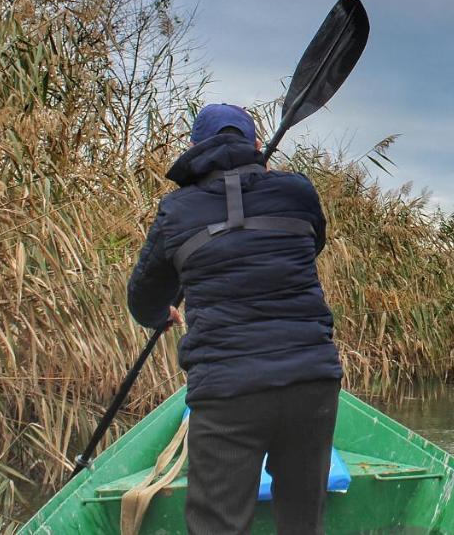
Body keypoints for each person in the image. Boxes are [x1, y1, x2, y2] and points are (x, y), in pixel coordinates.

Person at [127, 103, 343, 534]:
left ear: (193, 148)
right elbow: (309, 244)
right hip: (311, 382)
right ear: (257, 146)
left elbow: (143, 297)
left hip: (228, 390)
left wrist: (160, 314)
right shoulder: (298, 192)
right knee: (304, 524)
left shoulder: (177, 211)